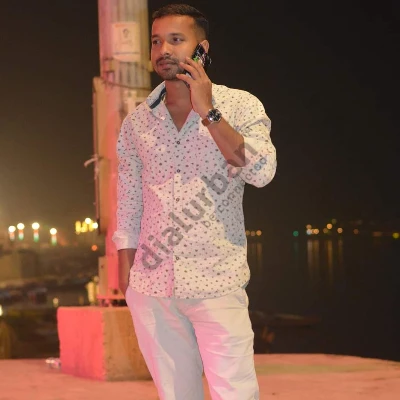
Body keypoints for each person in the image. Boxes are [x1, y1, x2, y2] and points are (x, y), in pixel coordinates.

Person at [112, 4, 277, 399]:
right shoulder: (137, 122)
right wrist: (128, 275)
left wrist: (209, 112)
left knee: (235, 393)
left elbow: (261, 171)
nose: (163, 50)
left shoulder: (240, 106)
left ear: (202, 49)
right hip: (152, 288)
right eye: (156, 41)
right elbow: (129, 200)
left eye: (176, 40)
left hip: (217, 282)